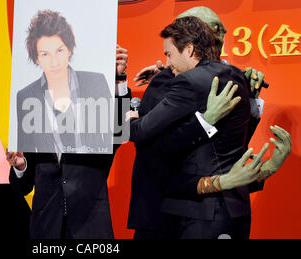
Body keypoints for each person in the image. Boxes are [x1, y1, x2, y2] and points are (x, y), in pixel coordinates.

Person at [127, 16, 289, 239]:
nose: (167, 63)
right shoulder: (237, 76)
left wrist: (130, 121)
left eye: (169, 54)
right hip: (233, 210)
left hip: (200, 213)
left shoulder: (188, 81)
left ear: (190, 48)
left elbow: (148, 139)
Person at [16, 9, 116, 154]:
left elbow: (118, 132)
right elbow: (25, 154)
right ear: (37, 58)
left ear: (69, 49)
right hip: (51, 176)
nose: (54, 62)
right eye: (45, 54)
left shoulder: (96, 82)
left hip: (90, 174)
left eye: (59, 51)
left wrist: (120, 79)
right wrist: (20, 167)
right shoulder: (26, 96)